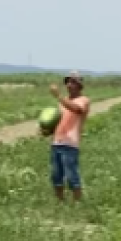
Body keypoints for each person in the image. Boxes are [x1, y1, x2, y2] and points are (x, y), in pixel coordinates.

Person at [44, 71, 91, 202]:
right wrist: (48, 131)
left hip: (70, 144)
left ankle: (78, 202)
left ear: (80, 85)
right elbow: (59, 120)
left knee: (71, 175)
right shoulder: (63, 102)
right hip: (57, 143)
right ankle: (60, 201)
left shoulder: (84, 100)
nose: (69, 85)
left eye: (73, 82)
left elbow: (75, 109)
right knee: (56, 175)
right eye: (68, 82)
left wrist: (58, 96)